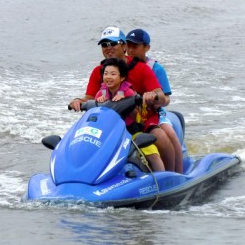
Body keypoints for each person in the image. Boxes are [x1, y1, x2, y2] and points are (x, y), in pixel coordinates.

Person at [69, 26, 176, 172]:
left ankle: (173, 176)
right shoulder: (98, 71)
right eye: (104, 45)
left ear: (124, 45)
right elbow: (89, 97)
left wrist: (153, 95)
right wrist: (78, 101)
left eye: (113, 43)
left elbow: (161, 95)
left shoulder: (141, 68)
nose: (109, 48)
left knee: (161, 137)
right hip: (110, 123)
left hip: (140, 119)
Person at [126, 28, 183, 174]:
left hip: (155, 112)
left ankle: (178, 173)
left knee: (170, 135)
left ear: (147, 48)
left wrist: (156, 99)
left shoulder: (155, 69)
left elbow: (166, 98)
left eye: (135, 46)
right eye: (128, 45)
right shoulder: (120, 66)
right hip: (131, 113)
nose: (130, 50)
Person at [95, 57, 165, 171]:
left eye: (113, 74)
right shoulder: (100, 93)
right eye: (106, 73)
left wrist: (126, 100)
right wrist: (99, 101)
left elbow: (136, 113)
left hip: (130, 132)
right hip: (109, 134)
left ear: (122, 77)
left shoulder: (128, 92)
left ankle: (162, 179)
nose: (108, 77)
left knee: (152, 153)